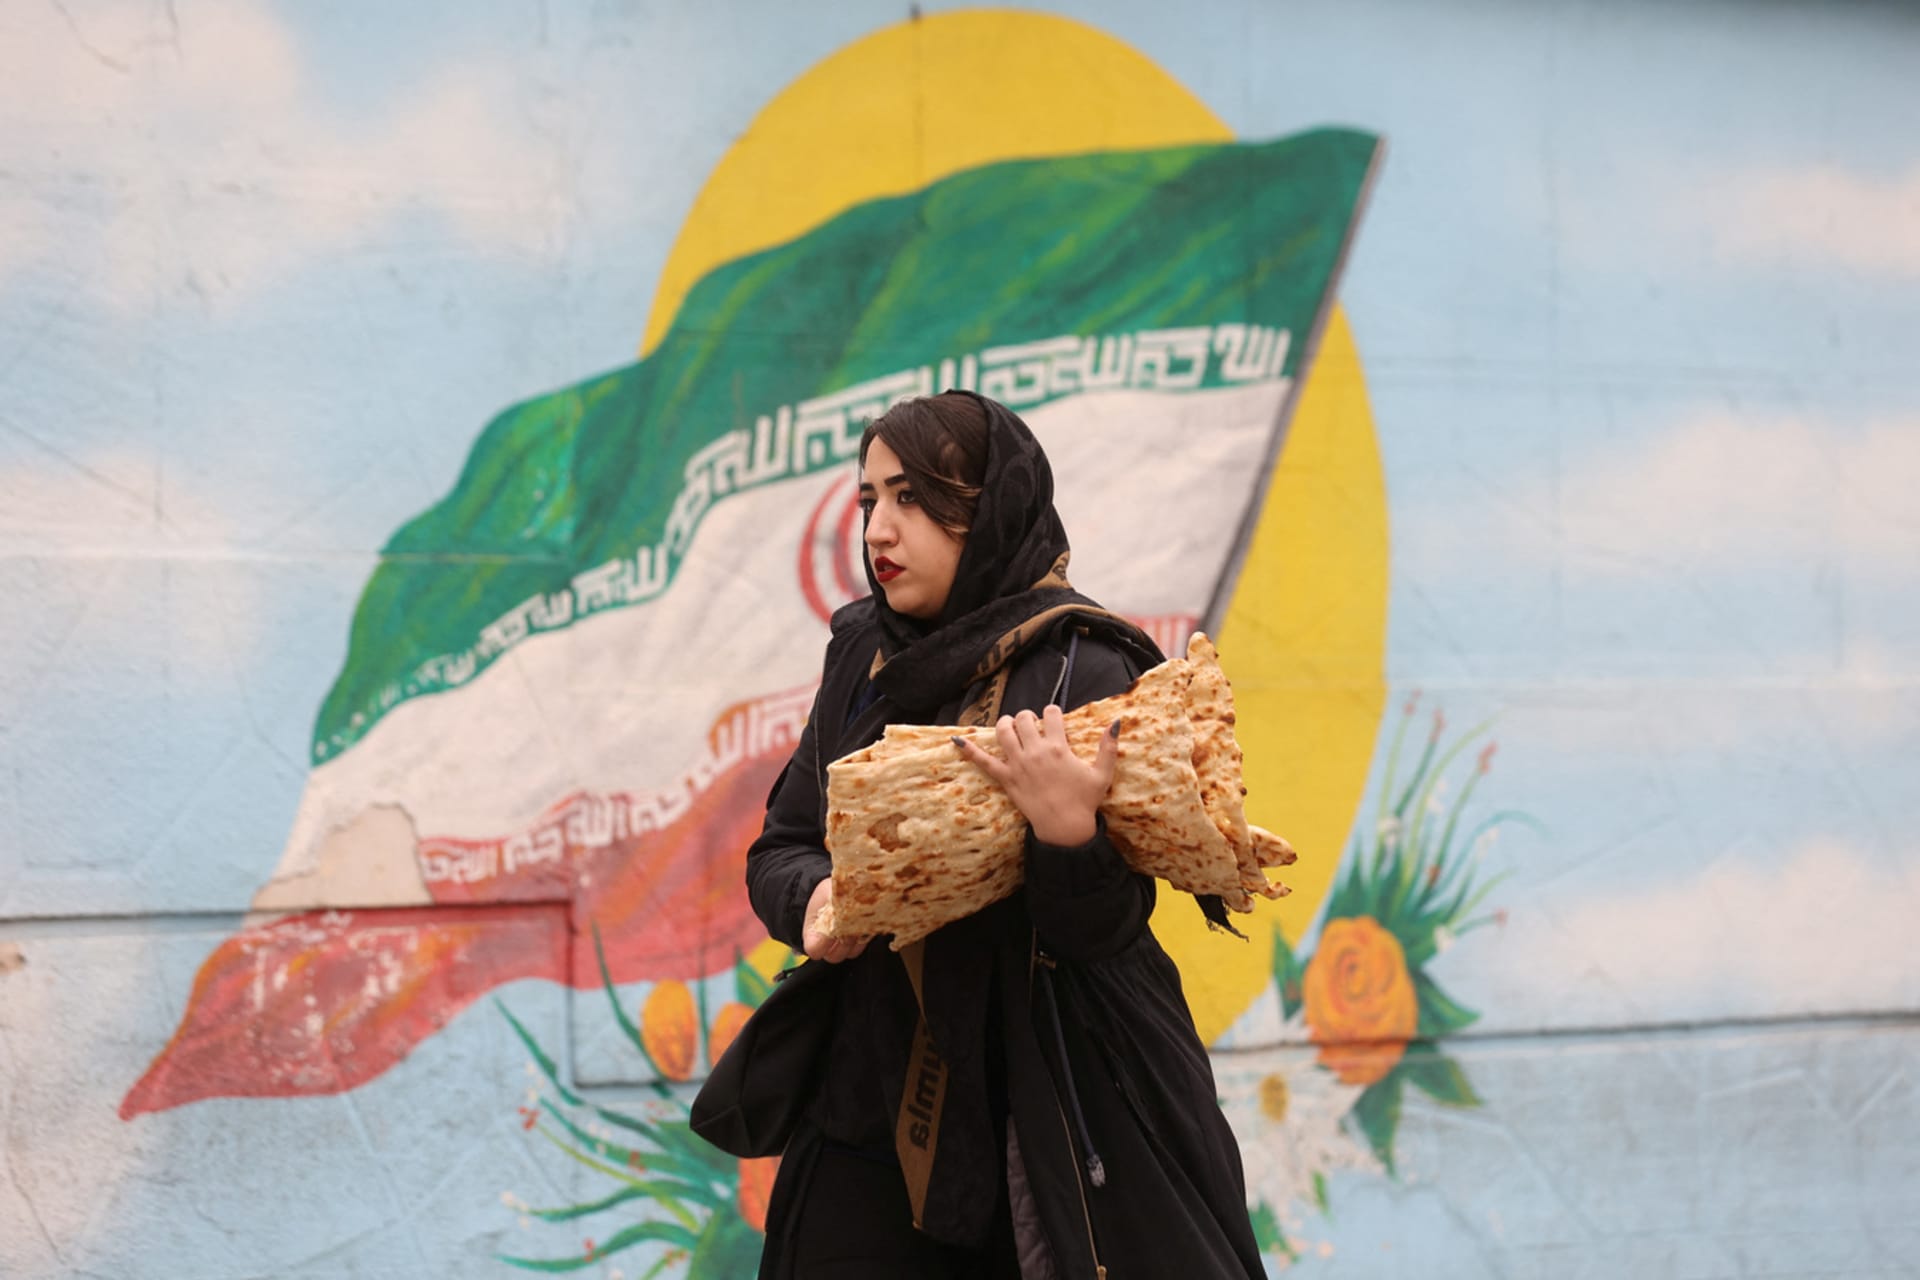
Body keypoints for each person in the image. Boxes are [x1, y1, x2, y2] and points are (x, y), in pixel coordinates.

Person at [744, 390, 1264, 1279]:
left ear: (989, 509)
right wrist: (820, 902)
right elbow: (781, 849)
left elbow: (1101, 934)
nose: (879, 529)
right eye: (870, 499)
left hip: (1046, 1106)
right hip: (868, 1103)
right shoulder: (865, 656)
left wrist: (1068, 838)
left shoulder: (1084, 664)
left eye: (913, 498)